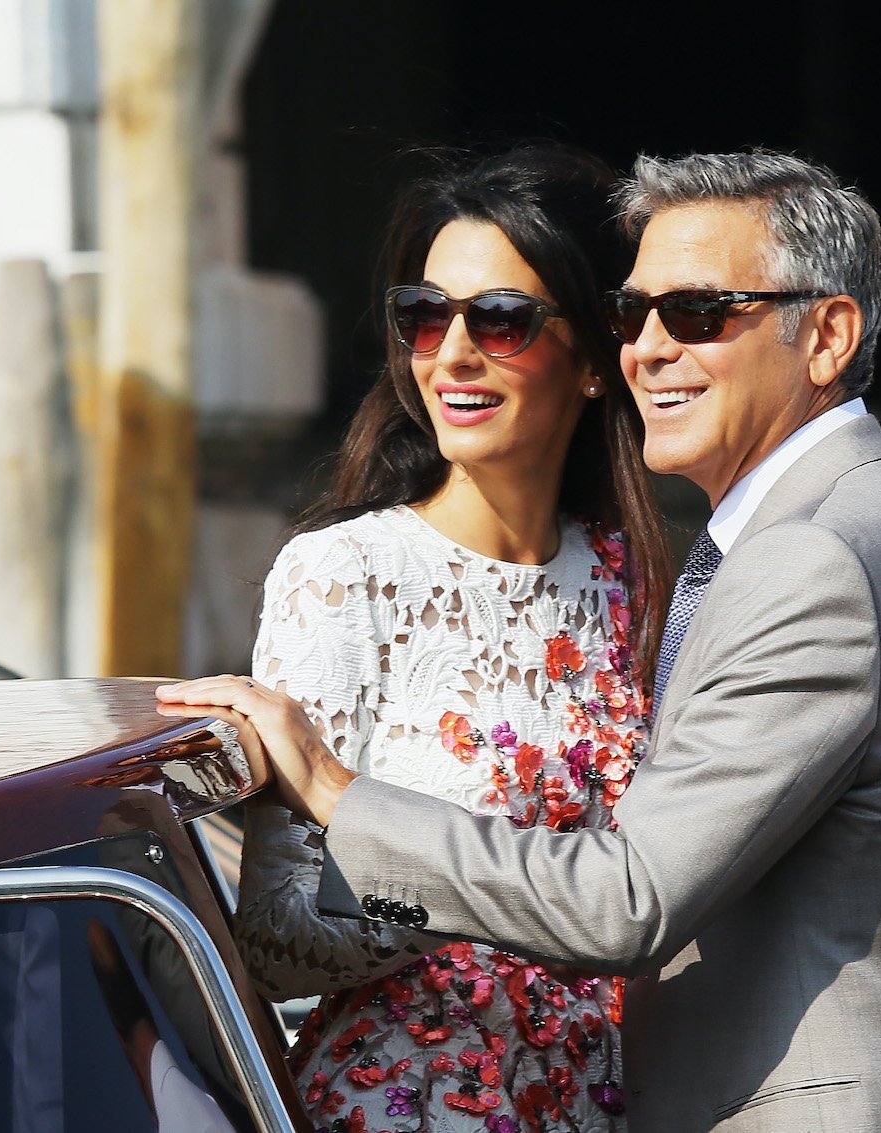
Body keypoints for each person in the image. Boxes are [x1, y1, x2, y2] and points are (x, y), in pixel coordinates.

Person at [163, 150, 881, 1132]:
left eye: (700, 313)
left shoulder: (769, 564)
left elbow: (627, 900)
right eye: (637, 313)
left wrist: (346, 800)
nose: (654, 346)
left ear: (826, 335)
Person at [221, 145, 672, 1133]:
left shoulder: (632, 578)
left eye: (501, 321)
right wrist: (475, 878)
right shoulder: (344, 574)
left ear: (595, 358)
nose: (451, 352)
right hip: (409, 1109)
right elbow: (274, 941)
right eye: (424, 315)